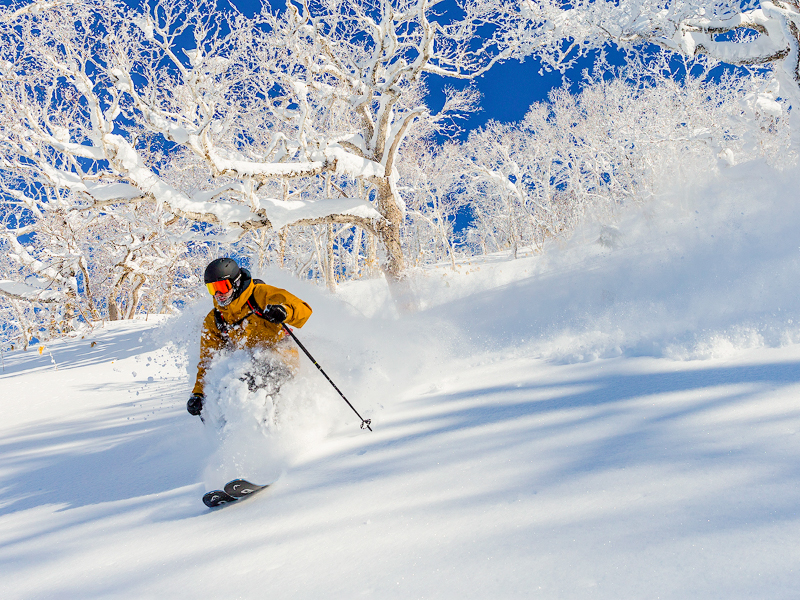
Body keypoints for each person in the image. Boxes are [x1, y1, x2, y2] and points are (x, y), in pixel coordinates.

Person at [187, 257, 312, 418]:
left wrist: (284, 311)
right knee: (223, 391)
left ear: (236, 283)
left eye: (222, 287)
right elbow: (208, 360)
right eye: (212, 289)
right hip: (245, 365)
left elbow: (303, 309)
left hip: (280, 358)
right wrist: (199, 394)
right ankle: (233, 436)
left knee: (257, 380)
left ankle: (282, 427)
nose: (218, 294)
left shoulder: (260, 294)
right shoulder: (215, 319)